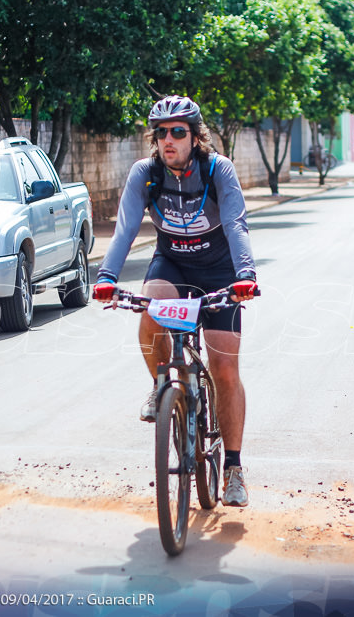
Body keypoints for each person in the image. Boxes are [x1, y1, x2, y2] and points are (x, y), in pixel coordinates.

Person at [94, 95, 258, 507]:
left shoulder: (217, 169)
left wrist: (245, 277)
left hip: (220, 270)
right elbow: (126, 227)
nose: (168, 139)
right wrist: (107, 278)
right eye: (161, 132)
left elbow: (236, 223)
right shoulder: (145, 174)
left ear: (195, 136)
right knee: (149, 313)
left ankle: (234, 469)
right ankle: (160, 385)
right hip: (172, 265)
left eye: (178, 132)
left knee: (223, 367)